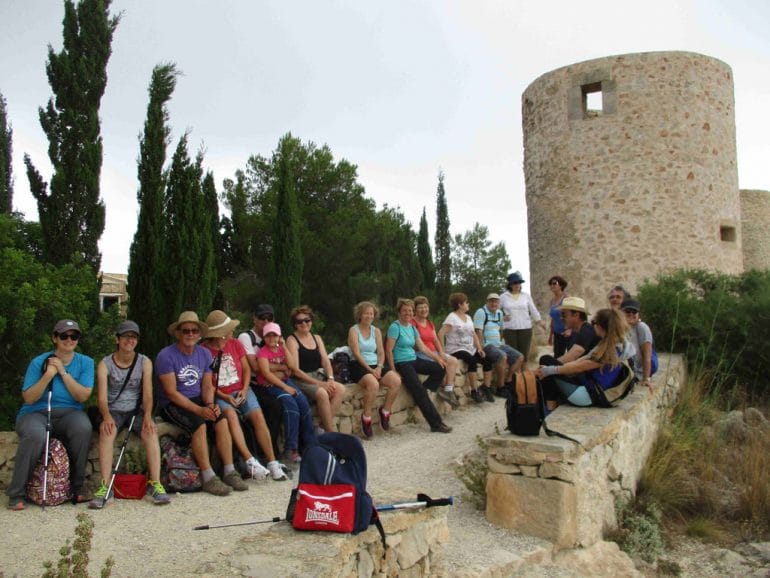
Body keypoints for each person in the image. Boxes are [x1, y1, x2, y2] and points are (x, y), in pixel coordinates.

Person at [156, 311, 247, 496]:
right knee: (199, 425)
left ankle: (229, 471)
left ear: (199, 334)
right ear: (178, 333)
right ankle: (208, 477)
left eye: (194, 331)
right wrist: (199, 410)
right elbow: (171, 393)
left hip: (197, 398)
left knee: (221, 419)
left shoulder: (204, 354)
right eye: (186, 331)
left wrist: (210, 404)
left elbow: (207, 384)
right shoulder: (166, 356)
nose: (190, 334)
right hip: (173, 403)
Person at [6, 320, 94, 510]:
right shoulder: (39, 362)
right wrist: (47, 375)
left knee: (83, 428)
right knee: (35, 435)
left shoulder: (86, 362)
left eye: (74, 336)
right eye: (64, 336)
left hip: (70, 413)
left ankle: (77, 488)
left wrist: (63, 372)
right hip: (36, 412)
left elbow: (83, 395)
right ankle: (16, 493)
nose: (69, 340)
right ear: (54, 338)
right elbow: (29, 398)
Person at [89, 320, 171, 509]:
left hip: (135, 409)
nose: (129, 340)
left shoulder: (144, 362)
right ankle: (105, 486)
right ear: (117, 339)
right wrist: (107, 417)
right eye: (125, 336)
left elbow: (148, 393)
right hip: (113, 409)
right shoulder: (105, 364)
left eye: (133, 337)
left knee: (151, 432)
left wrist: (149, 416)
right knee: (107, 433)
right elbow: (101, 397)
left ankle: (155, 484)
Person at [201, 310, 287, 481]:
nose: (231, 332)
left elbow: (246, 368)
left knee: (257, 415)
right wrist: (225, 397)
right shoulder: (204, 351)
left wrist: (246, 388)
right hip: (221, 394)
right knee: (231, 416)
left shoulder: (234, 344)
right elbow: (207, 383)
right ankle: (250, 460)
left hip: (241, 389)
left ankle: (272, 461)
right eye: (228, 329)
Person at [535, 308, 635, 409]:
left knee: (546, 360)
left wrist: (549, 370)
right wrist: (552, 369)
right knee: (549, 364)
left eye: (593, 322)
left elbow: (579, 367)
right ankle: (550, 404)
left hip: (589, 396)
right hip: (591, 390)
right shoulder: (613, 345)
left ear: (599, 326)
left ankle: (550, 407)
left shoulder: (611, 351)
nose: (592, 325)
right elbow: (579, 362)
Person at [385, 298, 452, 433]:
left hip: (413, 359)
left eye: (410, 311)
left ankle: (425, 390)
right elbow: (388, 350)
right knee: (419, 392)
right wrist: (393, 370)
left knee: (441, 368)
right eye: (405, 310)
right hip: (402, 363)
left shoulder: (411, 327)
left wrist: (438, 358)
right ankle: (436, 424)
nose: (408, 313)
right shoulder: (395, 327)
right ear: (399, 312)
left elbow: (422, 348)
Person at [256, 322, 317, 463]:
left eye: (275, 336)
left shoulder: (281, 349)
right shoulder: (263, 352)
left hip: (284, 381)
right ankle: (291, 448)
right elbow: (266, 373)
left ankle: (310, 443)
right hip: (271, 385)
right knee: (291, 406)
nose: (272, 339)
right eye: (268, 336)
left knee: (303, 403)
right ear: (264, 338)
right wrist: (285, 386)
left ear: (279, 336)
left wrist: (283, 346)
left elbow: (292, 366)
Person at [286, 305, 346, 433]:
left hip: (318, 375)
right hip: (301, 379)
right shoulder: (292, 340)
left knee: (340, 388)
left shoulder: (317, 338)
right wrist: (320, 384)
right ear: (295, 324)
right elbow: (295, 370)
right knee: (322, 393)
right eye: (299, 321)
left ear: (311, 321)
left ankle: (321, 426)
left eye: (307, 320)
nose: (304, 323)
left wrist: (330, 378)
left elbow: (325, 361)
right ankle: (331, 432)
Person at [347, 301, 402, 438]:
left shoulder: (376, 331)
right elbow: (356, 353)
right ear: (360, 314)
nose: (369, 316)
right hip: (358, 365)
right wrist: (370, 370)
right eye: (366, 313)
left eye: (371, 313)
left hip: (376, 364)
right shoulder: (353, 330)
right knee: (373, 384)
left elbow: (381, 353)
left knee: (396, 380)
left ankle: (385, 412)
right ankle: (366, 418)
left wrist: (379, 367)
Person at [237, 304, 284, 457]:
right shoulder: (246, 337)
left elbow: (290, 365)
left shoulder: (274, 335)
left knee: (290, 405)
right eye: (261, 317)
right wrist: (279, 367)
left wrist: (276, 370)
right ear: (254, 318)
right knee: (273, 406)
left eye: (269, 318)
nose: (265, 321)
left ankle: (294, 447)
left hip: (271, 381)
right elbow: (256, 367)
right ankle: (268, 453)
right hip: (254, 383)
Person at [412, 296, 461, 408]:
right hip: (421, 353)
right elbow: (419, 346)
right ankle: (437, 389)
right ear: (415, 309)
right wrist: (437, 356)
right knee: (442, 365)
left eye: (425, 307)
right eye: (420, 307)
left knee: (452, 360)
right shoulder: (413, 323)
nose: (423, 309)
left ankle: (448, 390)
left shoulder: (429, 323)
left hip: (433, 352)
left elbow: (435, 340)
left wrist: (442, 352)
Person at [437, 293, 486, 403]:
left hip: (469, 348)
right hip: (455, 349)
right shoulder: (452, 317)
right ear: (460, 304)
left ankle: (486, 388)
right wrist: (443, 351)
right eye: (466, 302)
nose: (468, 304)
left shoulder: (468, 318)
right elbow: (440, 333)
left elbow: (474, 334)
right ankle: (474, 391)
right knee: (472, 360)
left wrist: (479, 348)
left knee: (486, 358)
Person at [473, 293, 523, 398]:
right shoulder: (481, 312)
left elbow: (500, 330)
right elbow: (478, 331)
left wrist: (500, 342)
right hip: (486, 345)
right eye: (491, 301)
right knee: (502, 356)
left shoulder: (499, 313)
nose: (494, 303)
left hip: (498, 344)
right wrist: (480, 348)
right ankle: (500, 387)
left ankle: (508, 381)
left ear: (499, 303)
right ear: (487, 302)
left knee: (519, 357)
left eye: (496, 301)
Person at [500, 271, 546, 362]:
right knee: (513, 355)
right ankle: (514, 375)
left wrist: (539, 321)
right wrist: (501, 318)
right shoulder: (503, 297)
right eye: (514, 283)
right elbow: (495, 311)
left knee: (524, 355)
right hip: (509, 329)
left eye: (519, 282)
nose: (517, 284)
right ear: (510, 284)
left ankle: (523, 375)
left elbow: (533, 309)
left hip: (525, 328)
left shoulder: (526, 296)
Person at [621, 299, 656, 389]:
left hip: (635, 374)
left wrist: (646, 379)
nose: (631, 314)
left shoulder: (641, 327)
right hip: (623, 370)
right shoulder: (620, 328)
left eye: (634, 312)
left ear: (638, 314)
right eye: (627, 311)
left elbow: (647, 355)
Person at [547, 276, 570, 357]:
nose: (552, 286)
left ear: (561, 285)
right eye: (550, 284)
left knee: (571, 357)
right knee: (557, 357)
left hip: (568, 333)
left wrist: (569, 330)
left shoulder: (566, 299)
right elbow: (553, 320)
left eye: (554, 283)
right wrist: (550, 336)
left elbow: (571, 316)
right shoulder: (552, 301)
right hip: (557, 334)